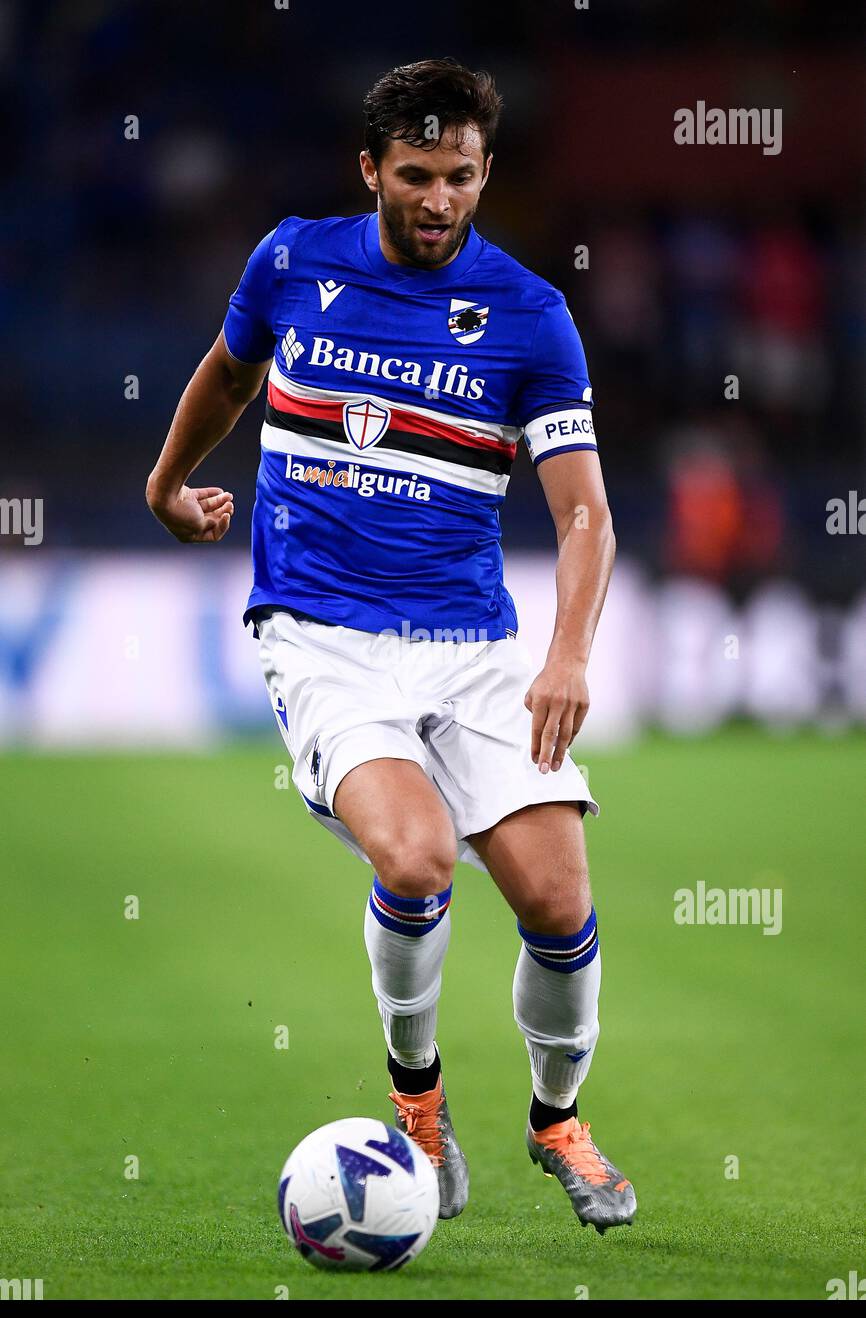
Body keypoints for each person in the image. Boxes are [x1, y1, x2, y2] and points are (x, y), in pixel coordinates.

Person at [146, 57, 635, 1234]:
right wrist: (170, 484)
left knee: (558, 900)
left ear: (482, 174)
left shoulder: (529, 315)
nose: (437, 199)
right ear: (369, 169)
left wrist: (567, 653)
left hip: (468, 644)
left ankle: (554, 1118)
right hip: (321, 635)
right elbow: (228, 372)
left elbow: (583, 514)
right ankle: (416, 1101)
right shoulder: (291, 261)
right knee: (413, 859)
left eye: (459, 176)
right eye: (414, 175)